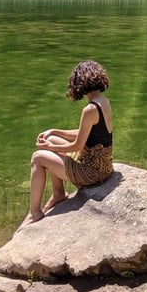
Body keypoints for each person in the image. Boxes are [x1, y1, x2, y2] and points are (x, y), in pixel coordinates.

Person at [17, 59, 114, 229]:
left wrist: (49, 148)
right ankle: (58, 193)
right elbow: (84, 133)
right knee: (52, 140)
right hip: (102, 167)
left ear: (80, 82)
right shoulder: (103, 102)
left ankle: (35, 212)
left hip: (91, 172)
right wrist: (54, 132)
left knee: (38, 157)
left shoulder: (90, 109)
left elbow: (77, 145)